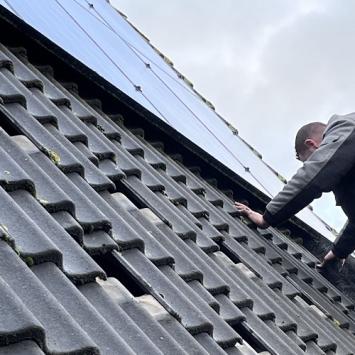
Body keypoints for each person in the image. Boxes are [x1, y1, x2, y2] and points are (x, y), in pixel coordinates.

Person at [235, 113, 355, 269]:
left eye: (308, 160)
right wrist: (340, 250)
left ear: (312, 145)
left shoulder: (346, 128)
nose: (311, 164)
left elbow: (314, 174)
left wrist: (268, 217)